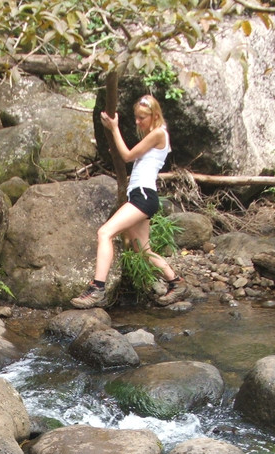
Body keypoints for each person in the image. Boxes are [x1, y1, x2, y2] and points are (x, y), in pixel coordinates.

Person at [71, 94, 188, 309]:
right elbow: (130, 155)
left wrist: (114, 128)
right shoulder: (152, 137)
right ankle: (176, 282)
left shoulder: (159, 133)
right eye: (136, 117)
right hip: (142, 196)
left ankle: (97, 288)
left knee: (104, 233)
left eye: (142, 117)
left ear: (155, 115)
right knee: (142, 249)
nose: (137, 121)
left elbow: (126, 156)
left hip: (143, 196)